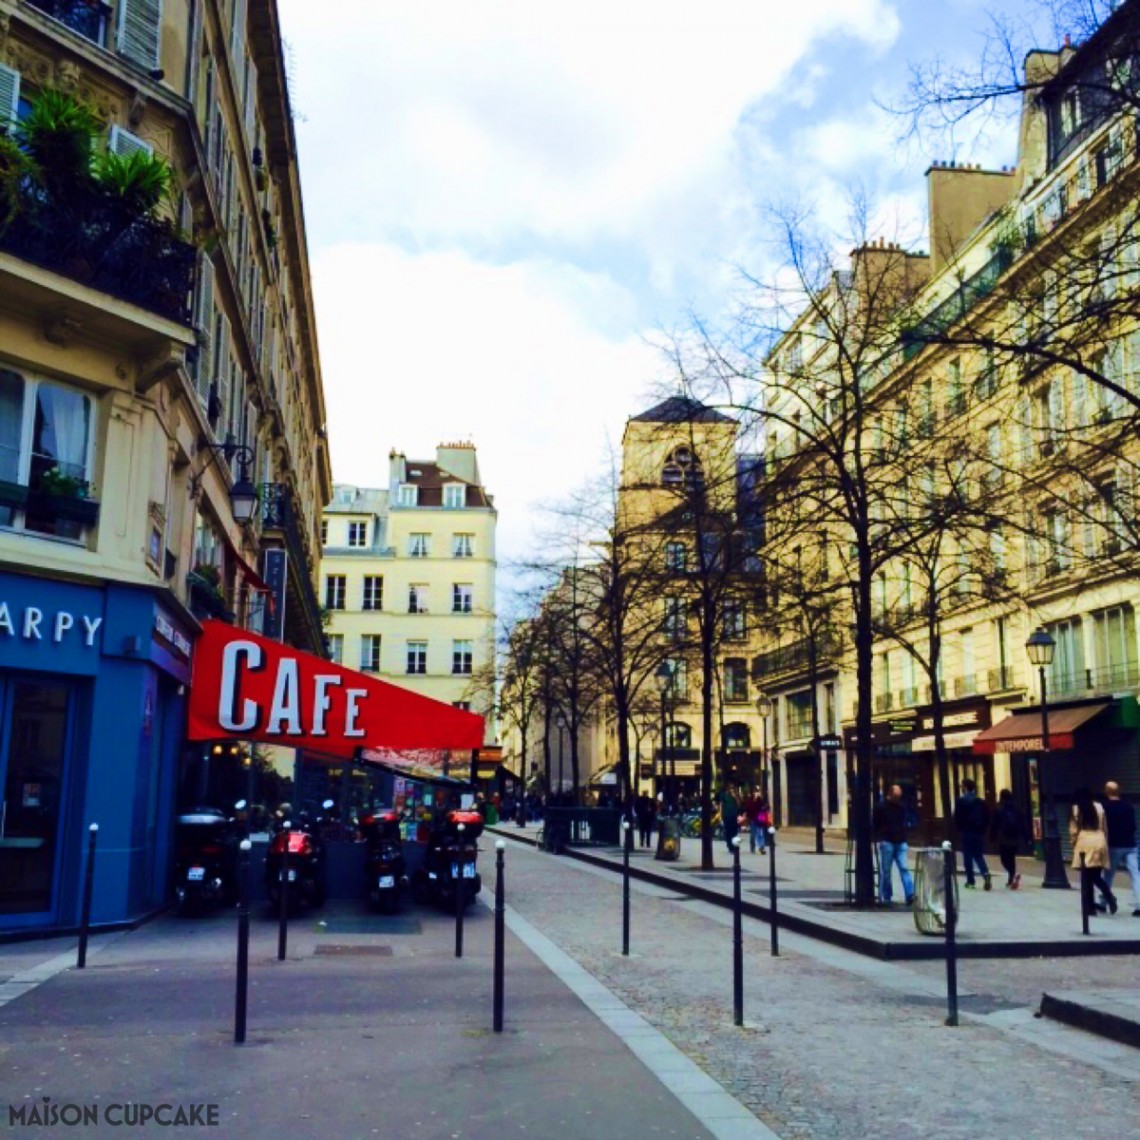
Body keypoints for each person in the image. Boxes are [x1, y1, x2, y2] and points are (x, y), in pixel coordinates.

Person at [1070, 786, 1117, 917]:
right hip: (1099, 840)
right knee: (1095, 875)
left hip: (1084, 841)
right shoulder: (1099, 806)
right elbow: (1105, 827)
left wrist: (1074, 844)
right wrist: (1104, 841)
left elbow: (1073, 830)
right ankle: (1101, 900)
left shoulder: (1076, 808)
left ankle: (1096, 904)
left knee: (1087, 877)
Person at [1101, 781, 1140, 917]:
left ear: (1106, 791)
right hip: (1130, 844)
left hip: (1114, 845)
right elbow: (1133, 826)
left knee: (1108, 874)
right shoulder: (1128, 806)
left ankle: (1103, 902)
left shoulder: (1104, 807)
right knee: (1135, 875)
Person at [872, 784, 914, 905]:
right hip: (887, 841)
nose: (897, 799)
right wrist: (878, 837)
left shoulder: (901, 807)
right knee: (886, 872)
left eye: (899, 797)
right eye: (896, 797)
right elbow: (875, 823)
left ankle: (910, 894)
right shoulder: (880, 807)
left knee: (904, 868)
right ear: (890, 794)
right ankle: (887, 896)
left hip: (900, 841)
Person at [953, 778, 992, 890]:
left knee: (968, 856)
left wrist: (959, 829)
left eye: (962, 786)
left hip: (966, 832)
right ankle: (985, 873)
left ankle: (970, 881)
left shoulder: (960, 801)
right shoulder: (980, 802)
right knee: (978, 855)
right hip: (978, 832)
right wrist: (983, 830)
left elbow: (956, 818)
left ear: (965, 787)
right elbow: (987, 817)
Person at [990, 789, 1027, 889]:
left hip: (1003, 837)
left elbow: (994, 825)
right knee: (1011, 858)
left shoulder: (998, 808)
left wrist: (992, 837)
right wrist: (1026, 837)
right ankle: (1011, 878)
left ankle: (1012, 875)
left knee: (1004, 859)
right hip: (1015, 837)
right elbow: (1022, 824)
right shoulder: (1017, 808)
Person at [720, 785, 740, 853]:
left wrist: (735, 797)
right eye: (730, 788)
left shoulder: (734, 796)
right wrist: (721, 815)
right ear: (727, 789)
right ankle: (730, 846)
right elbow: (721, 805)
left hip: (733, 816)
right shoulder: (723, 796)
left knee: (734, 832)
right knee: (728, 832)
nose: (732, 790)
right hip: (726, 816)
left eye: (732, 788)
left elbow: (738, 804)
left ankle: (734, 845)